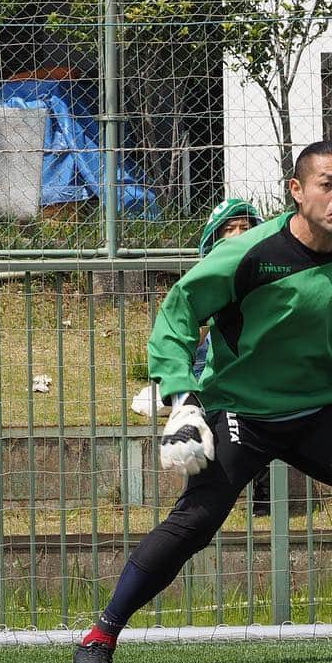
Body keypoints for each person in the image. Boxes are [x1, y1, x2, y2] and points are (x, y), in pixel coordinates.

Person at [75, 141, 332, 663]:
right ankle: (100, 637)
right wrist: (182, 401)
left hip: (319, 411)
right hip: (240, 411)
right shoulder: (248, 251)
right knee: (195, 522)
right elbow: (177, 312)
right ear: (296, 191)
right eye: (326, 184)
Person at [131, 198, 271, 515]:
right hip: (216, 381)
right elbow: (182, 324)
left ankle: (264, 502)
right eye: (229, 230)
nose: (238, 235)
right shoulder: (208, 281)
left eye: (245, 229)